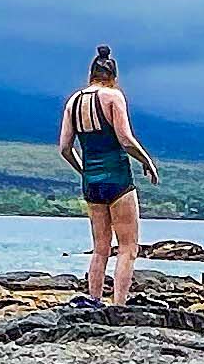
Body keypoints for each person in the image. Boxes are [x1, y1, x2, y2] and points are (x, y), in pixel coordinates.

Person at [57, 45, 159, 304]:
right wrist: (146, 161)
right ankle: (119, 304)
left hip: (91, 182)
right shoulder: (114, 97)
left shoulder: (74, 101)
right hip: (118, 180)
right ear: (113, 76)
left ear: (90, 74)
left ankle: (93, 299)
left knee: (100, 248)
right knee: (127, 247)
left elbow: (65, 148)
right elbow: (125, 139)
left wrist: (84, 170)